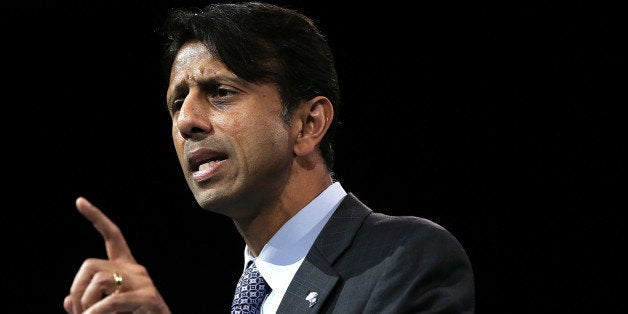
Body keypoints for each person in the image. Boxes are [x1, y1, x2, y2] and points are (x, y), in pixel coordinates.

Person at [63, 1, 475, 313]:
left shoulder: (404, 258)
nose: (186, 121)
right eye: (176, 103)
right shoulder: (249, 292)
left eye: (220, 92)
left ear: (307, 123)